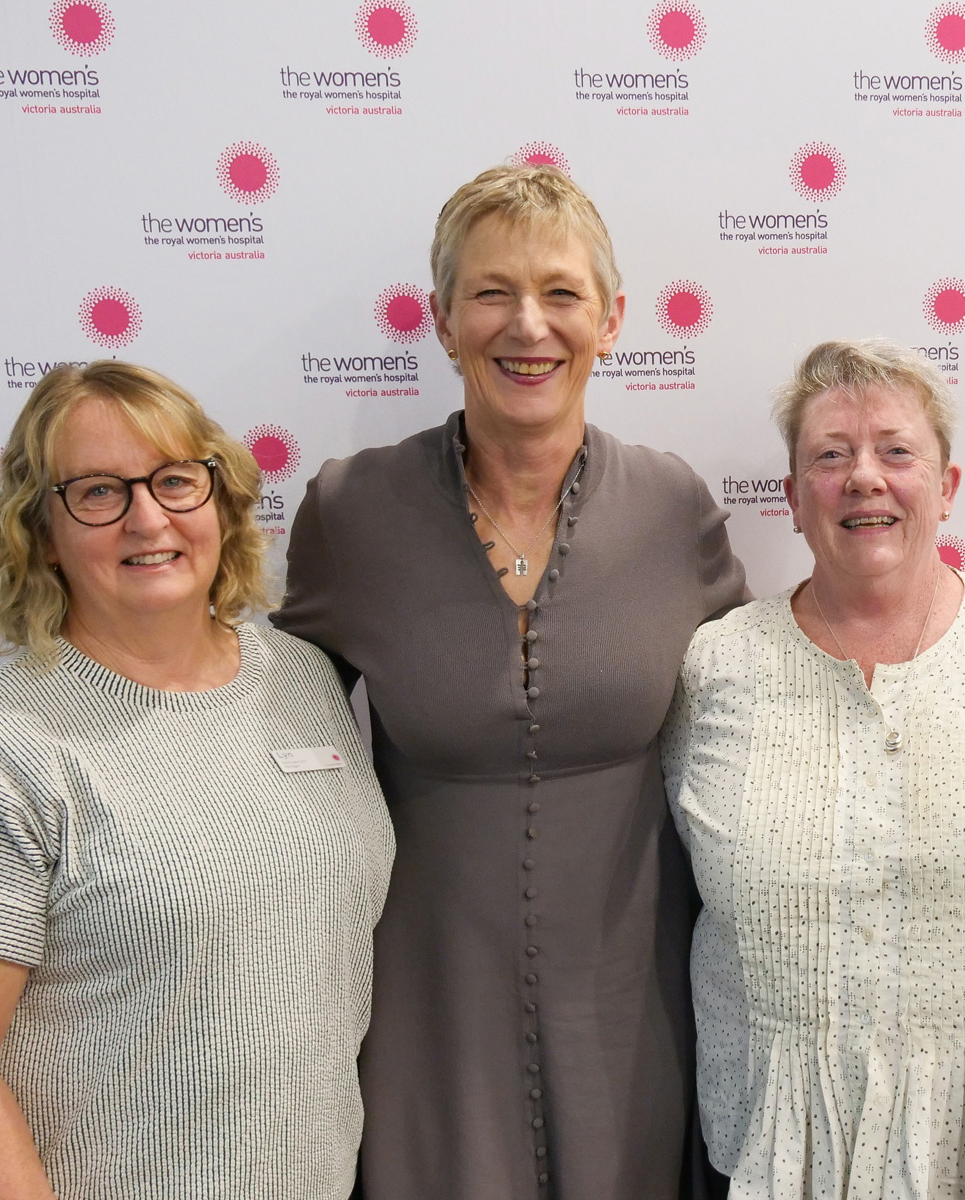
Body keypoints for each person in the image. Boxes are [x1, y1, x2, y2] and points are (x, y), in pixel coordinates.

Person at [273, 164, 748, 1200]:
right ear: (442, 320)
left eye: (560, 293)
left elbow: (757, 734)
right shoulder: (351, 513)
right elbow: (268, 741)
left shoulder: (673, 509)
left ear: (611, 320)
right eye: (490, 293)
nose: (526, 325)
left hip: (635, 1010)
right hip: (422, 1011)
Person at [0, 361, 395, 1200]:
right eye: (100, 493)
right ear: (41, 533)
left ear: (218, 498)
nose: (149, 518)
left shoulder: (303, 681)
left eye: (176, 481)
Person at [661, 339, 965, 1200]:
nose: (864, 478)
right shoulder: (715, 667)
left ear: (947, 487)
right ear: (794, 500)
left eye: (896, 451)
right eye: (830, 457)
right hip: (780, 1143)